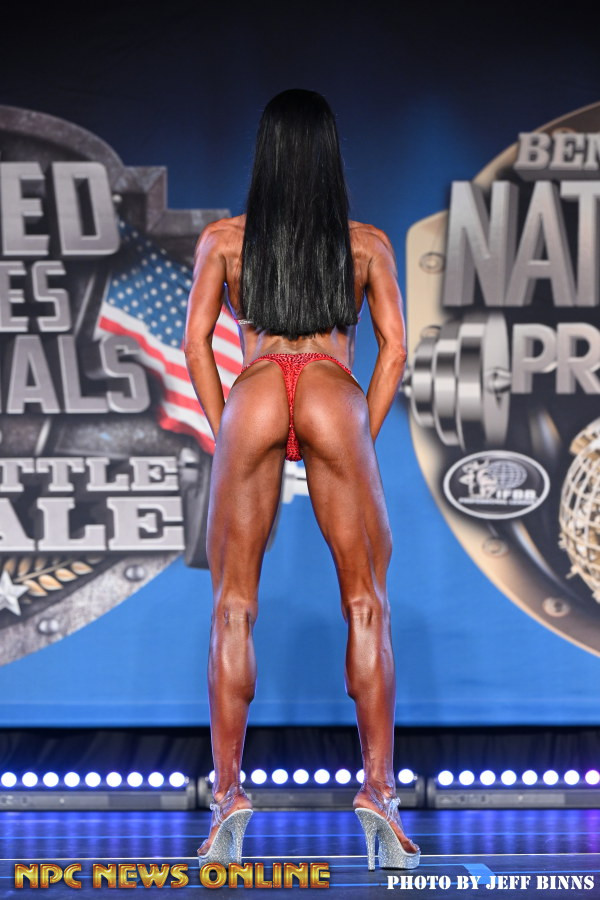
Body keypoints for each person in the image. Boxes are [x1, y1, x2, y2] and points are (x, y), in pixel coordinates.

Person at [184, 88, 420, 872]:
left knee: (232, 606)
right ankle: (378, 792)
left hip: (253, 391)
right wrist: (357, 435)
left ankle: (228, 797)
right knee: (366, 600)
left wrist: (228, 431)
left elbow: (195, 347)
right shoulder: (366, 244)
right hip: (332, 389)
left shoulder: (225, 240)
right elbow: (394, 349)